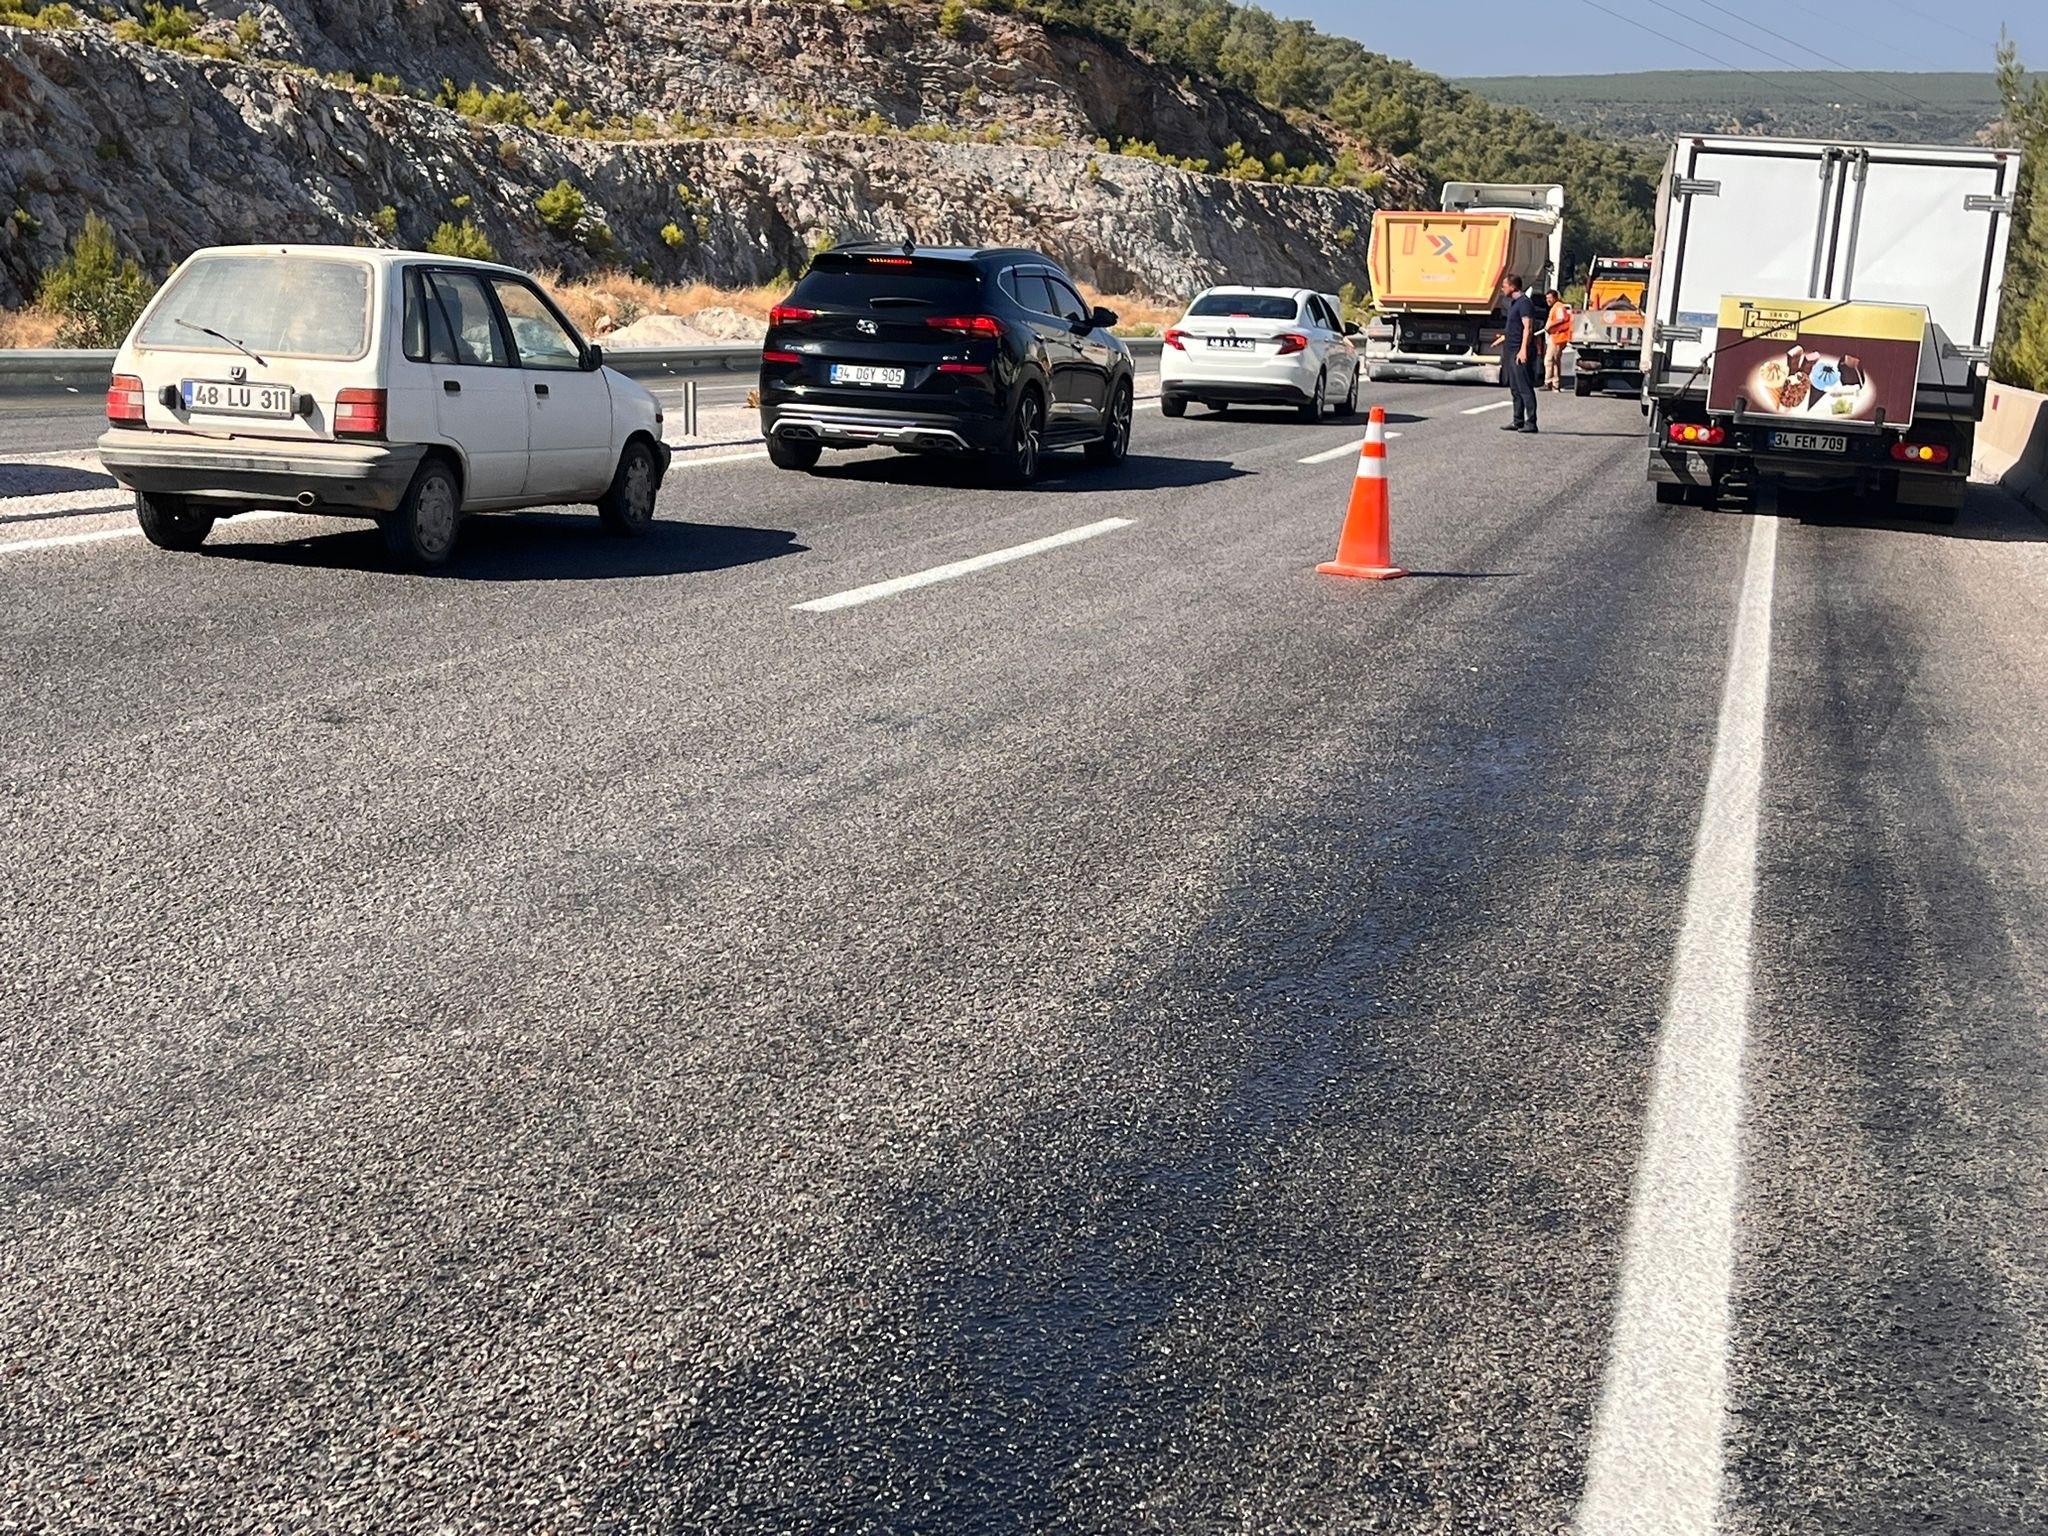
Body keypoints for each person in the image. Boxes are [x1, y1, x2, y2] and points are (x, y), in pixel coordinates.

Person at [1499, 274, 1539, 433]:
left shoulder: (1524, 303)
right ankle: (1518, 420)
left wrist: (1523, 350)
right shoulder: (1514, 303)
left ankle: (1531, 422)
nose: (1502, 288)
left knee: (1524, 387)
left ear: (1513, 286)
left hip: (1519, 350)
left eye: (1504, 285)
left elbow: (1527, 328)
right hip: (1511, 349)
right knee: (1515, 387)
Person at [1544, 288, 1573, 392]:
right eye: (1547, 298)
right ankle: (1555, 384)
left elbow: (1561, 319)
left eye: (1550, 298)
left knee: (1549, 360)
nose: (1548, 300)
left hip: (1557, 337)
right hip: (1555, 336)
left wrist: (1549, 326)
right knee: (1554, 361)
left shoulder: (1558, 307)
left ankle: (1548, 382)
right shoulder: (1555, 307)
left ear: (1555, 298)